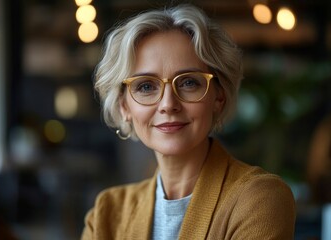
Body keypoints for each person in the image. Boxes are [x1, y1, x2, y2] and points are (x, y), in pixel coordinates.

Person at [81, 4, 296, 239]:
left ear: (219, 97)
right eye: (145, 86)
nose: (167, 104)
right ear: (124, 106)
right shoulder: (106, 213)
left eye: (188, 83)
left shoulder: (259, 199)